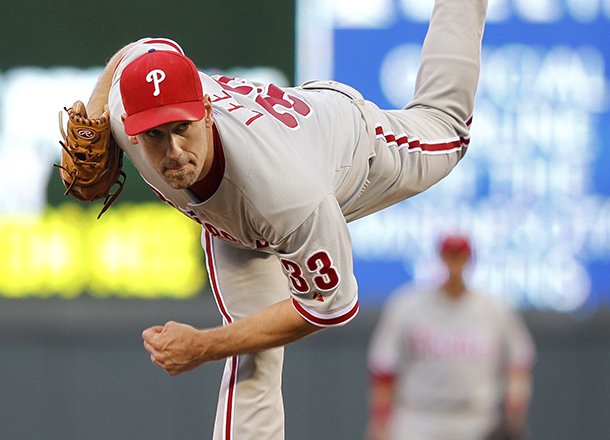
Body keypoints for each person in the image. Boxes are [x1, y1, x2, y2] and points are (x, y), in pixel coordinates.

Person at [77, 0, 488, 438]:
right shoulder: (122, 118)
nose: (173, 150)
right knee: (254, 354)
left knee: (447, 127)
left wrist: (203, 346)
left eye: (182, 127)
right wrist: (95, 108)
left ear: (207, 113)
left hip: (351, 147)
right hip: (241, 221)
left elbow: (325, 309)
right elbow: (145, 48)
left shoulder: (290, 194)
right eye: (156, 134)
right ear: (132, 126)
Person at [367, 234, 536, 440]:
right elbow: (384, 369)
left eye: (460, 256)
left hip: (477, 419)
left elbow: (518, 365)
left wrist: (514, 419)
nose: (455, 263)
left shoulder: (496, 309)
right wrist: (380, 423)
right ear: (441, 258)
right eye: (450, 255)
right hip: (418, 418)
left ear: (469, 259)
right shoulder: (406, 305)